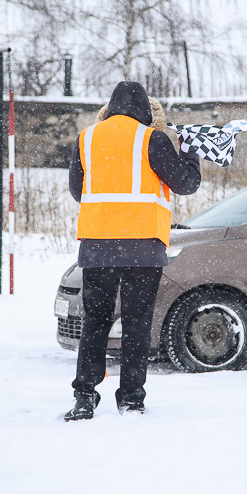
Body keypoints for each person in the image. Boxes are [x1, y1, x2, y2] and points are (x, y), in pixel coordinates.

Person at [65, 81, 200, 420]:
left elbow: (78, 191)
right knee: (137, 324)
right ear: (144, 109)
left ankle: (84, 395)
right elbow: (186, 183)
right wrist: (190, 153)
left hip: (98, 249)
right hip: (143, 249)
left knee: (94, 322)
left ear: (110, 107)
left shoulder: (88, 139)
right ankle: (130, 399)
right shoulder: (151, 139)